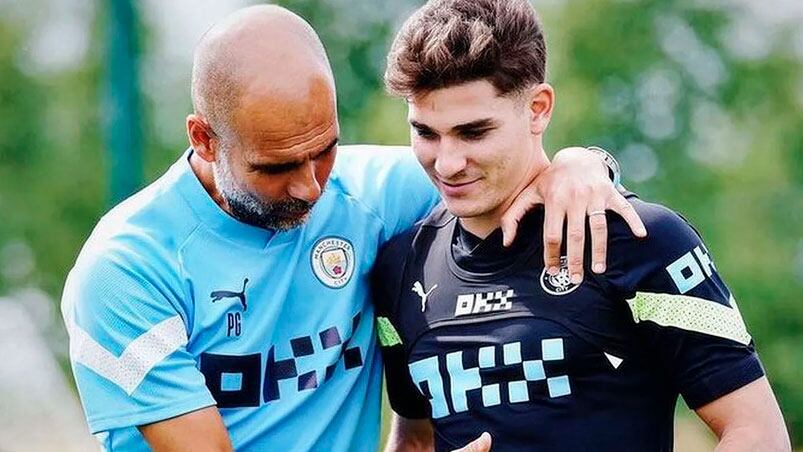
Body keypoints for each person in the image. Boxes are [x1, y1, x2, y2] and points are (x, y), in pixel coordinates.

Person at [61, 5, 643, 452]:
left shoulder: (375, 194)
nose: (310, 187)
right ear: (204, 139)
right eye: (277, 167)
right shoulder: (123, 271)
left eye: (325, 151)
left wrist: (583, 164)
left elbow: (511, 172)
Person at [373, 1, 791, 451]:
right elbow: (416, 439)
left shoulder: (639, 240)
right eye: (426, 133)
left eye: (473, 133)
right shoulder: (399, 266)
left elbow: (758, 434)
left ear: (538, 108)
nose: (448, 163)